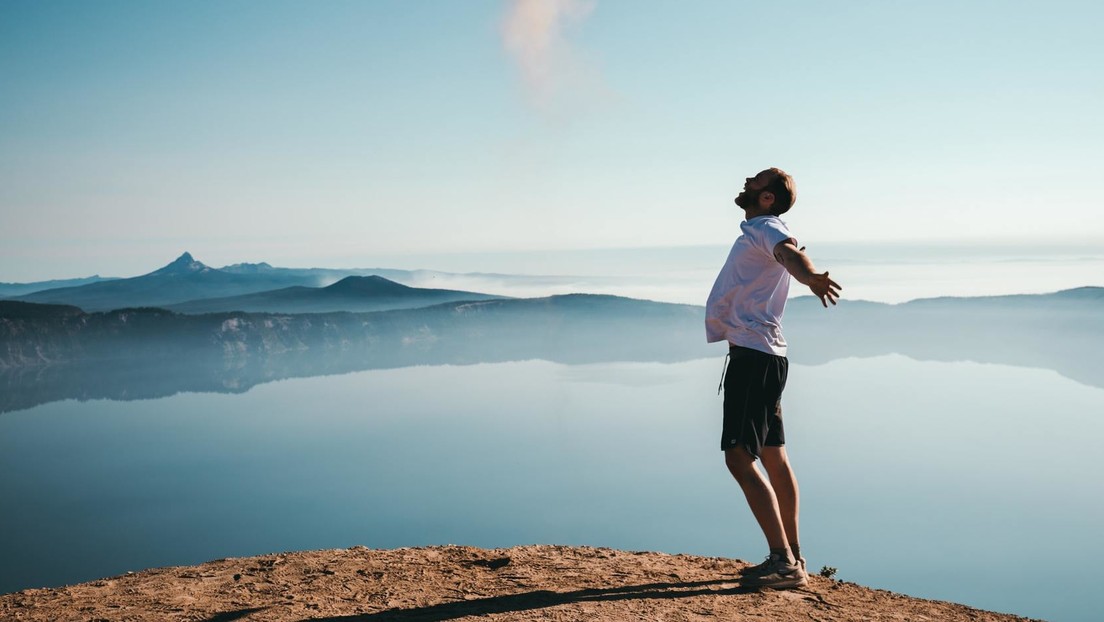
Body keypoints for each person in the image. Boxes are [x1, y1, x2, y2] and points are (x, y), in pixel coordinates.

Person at [705, 167, 841, 589]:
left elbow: (790, 254)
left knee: (738, 457)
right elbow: (787, 254)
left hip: (753, 357)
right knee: (773, 455)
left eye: (756, 180)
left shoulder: (767, 228)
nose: (747, 181)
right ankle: (792, 555)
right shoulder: (760, 230)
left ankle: (783, 563)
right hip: (764, 355)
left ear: (767, 198)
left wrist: (809, 276)